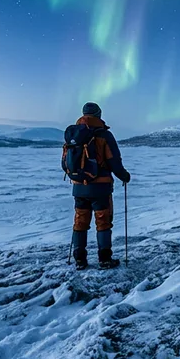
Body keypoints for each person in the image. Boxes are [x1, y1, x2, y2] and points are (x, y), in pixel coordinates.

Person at [66, 102, 131, 270]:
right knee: (103, 222)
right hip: (101, 188)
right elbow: (114, 161)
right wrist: (124, 176)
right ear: (99, 114)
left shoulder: (74, 134)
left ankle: (79, 259)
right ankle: (104, 259)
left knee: (80, 221)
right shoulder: (104, 135)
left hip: (79, 186)